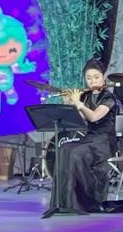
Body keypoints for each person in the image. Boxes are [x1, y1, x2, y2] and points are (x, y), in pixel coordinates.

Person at [43, 61, 118, 217]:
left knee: (76, 152)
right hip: (88, 139)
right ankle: (63, 202)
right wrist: (70, 104)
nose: (93, 81)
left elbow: (94, 117)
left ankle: (81, 202)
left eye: (96, 77)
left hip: (103, 142)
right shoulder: (87, 96)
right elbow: (81, 122)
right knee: (63, 149)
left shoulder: (109, 97)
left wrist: (78, 102)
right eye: (89, 78)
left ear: (103, 77)